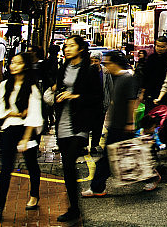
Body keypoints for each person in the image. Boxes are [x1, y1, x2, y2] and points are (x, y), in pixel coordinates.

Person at [0, 52, 43, 225]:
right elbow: (1, 112)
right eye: (11, 63)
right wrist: (17, 113)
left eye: (17, 63)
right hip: (9, 128)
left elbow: (33, 114)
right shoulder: (4, 85)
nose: (12, 66)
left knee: (31, 164)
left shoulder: (31, 87)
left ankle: (34, 194)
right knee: (5, 169)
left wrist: (25, 138)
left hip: (27, 130)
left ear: (24, 65)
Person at [51, 35, 102, 224]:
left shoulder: (89, 70)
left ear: (81, 49)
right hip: (63, 122)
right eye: (66, 46)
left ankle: (74, 208)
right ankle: (74, 207)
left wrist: (74, 97)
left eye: (71, 46)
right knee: (67, 168)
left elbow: (96, 98)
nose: (67, 49)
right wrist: (58, 96)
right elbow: (59, 89)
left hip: (79, 123)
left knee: (69, 162)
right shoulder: (63, 68)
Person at [82, 51, 140, 197]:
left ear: (115, 64)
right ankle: (97, 187)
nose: (106, 67)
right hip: (115, 125)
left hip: (122, 126)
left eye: (108, 63)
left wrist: (130, 122)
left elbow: (131, 102)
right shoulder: (118, 77)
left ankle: (97, 187)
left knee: (117, 157)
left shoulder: (127, 78)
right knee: (115, 158)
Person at [90, 51, 112, 155]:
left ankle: (94, 145)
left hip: (102, 103)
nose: (94, 63)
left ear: (100, 61)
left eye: (96, 61)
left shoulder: (105, 72)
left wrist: (110, 100)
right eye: (92, 61)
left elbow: (110, 86)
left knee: (98, 126)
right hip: (90, 104)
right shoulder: (87, 71)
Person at [140, 37, 167, 109]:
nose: (160, 49)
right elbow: (145, 76)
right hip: (150, 92)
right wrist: (142, 92)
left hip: (165, 93)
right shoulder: (151, 58)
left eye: (162, 47)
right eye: (158, 46)